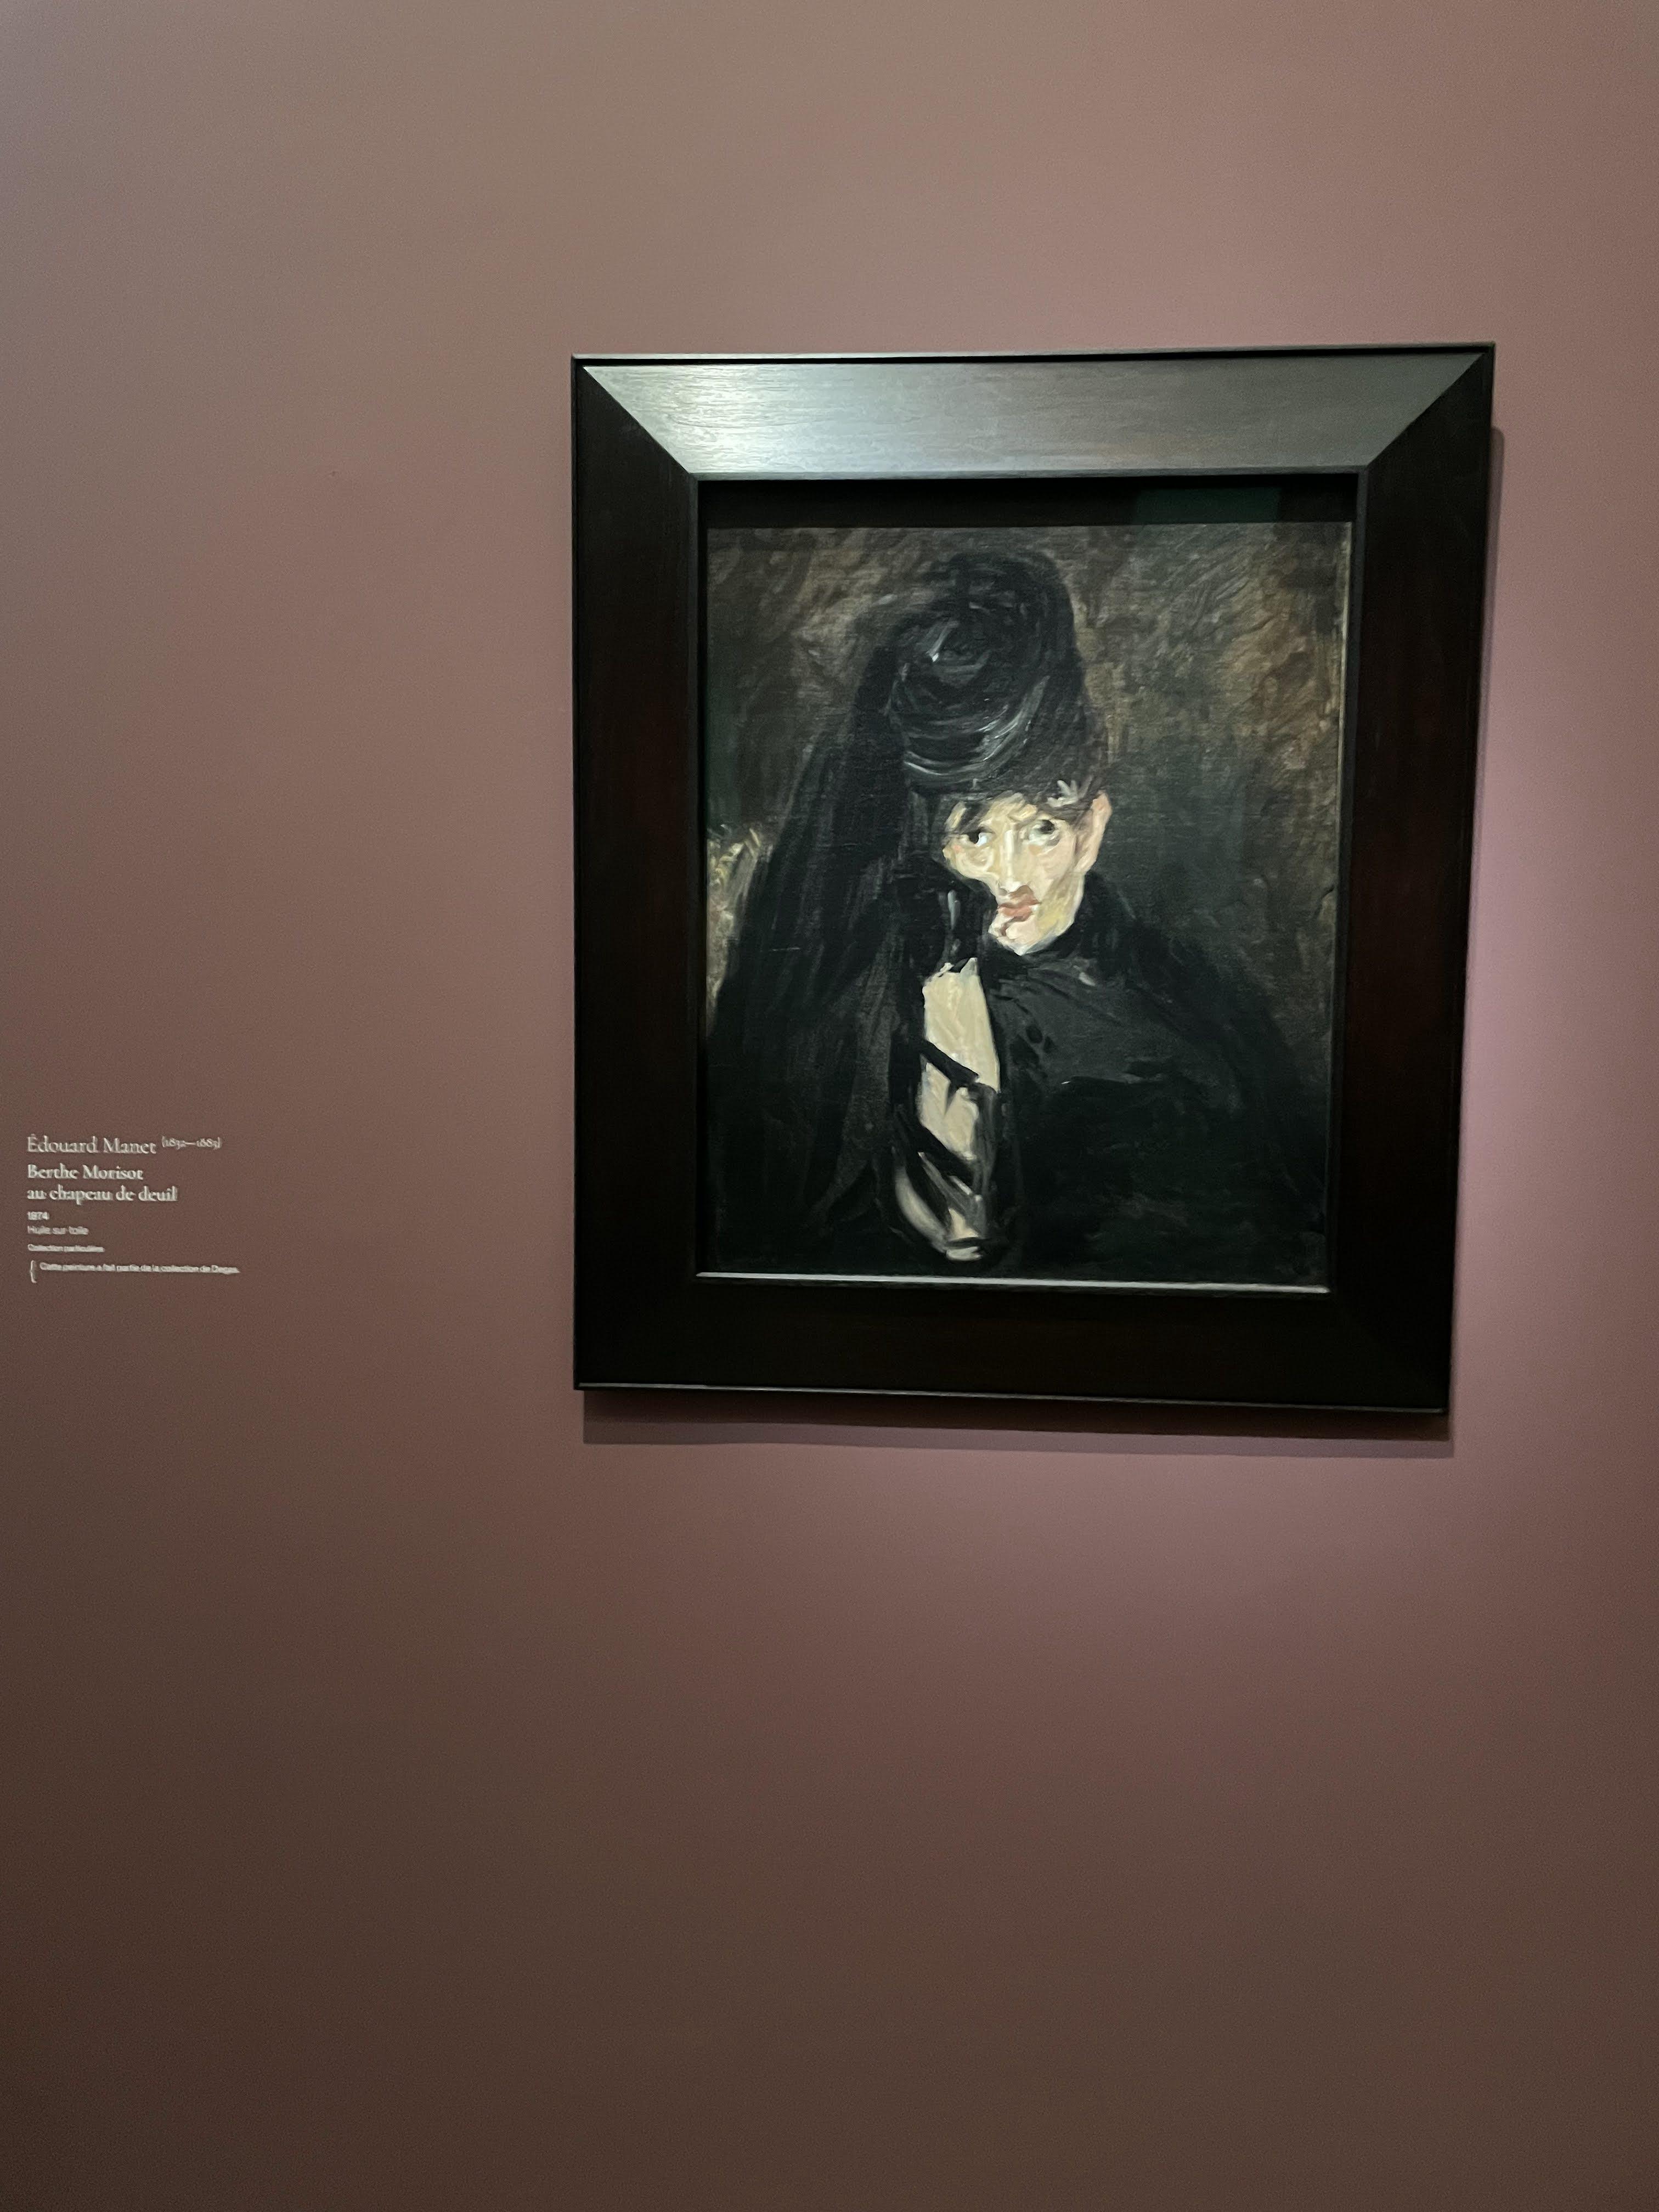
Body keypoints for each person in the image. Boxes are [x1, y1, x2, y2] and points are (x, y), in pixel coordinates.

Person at [706, 545, 1325, 1283]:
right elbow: (945, 1242)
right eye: (975, 836)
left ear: (1092, 827)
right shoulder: (887, 999)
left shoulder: (1186, 1002)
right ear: (931, 841)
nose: (1009, 877)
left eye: (1042, 830)